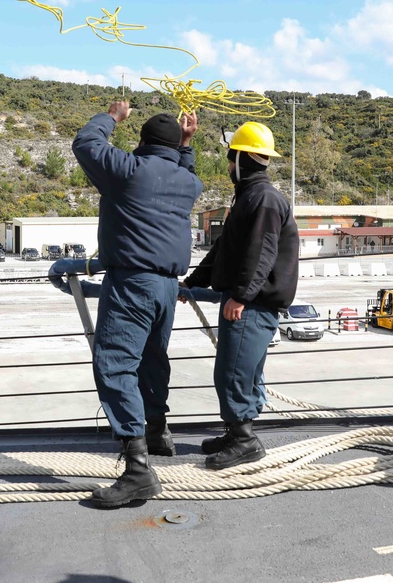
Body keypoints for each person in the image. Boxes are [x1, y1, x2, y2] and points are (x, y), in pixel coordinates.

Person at [72, 101, 203, 508]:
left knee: (114, 364)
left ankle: (137, 471)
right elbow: (188, 170)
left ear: (142, 143)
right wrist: (186, 146)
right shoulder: (188, 183)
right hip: (168, 287)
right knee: (152, 359)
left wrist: (112, 116)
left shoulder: (129, 171)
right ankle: (159, 432)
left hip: (132, 282)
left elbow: (86, 143)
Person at [182, 121, 299, 470]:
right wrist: (192, 282)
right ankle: (236, 433)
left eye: (231, 157)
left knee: (233, 373)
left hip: (251, 306)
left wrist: (241, 297)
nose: (228, 164)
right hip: (247, 302)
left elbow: (261, 253)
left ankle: (245, 440)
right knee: (238, 371)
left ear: (244, 157)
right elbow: (225, 250)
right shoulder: (251, 196)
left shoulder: (263, 199)